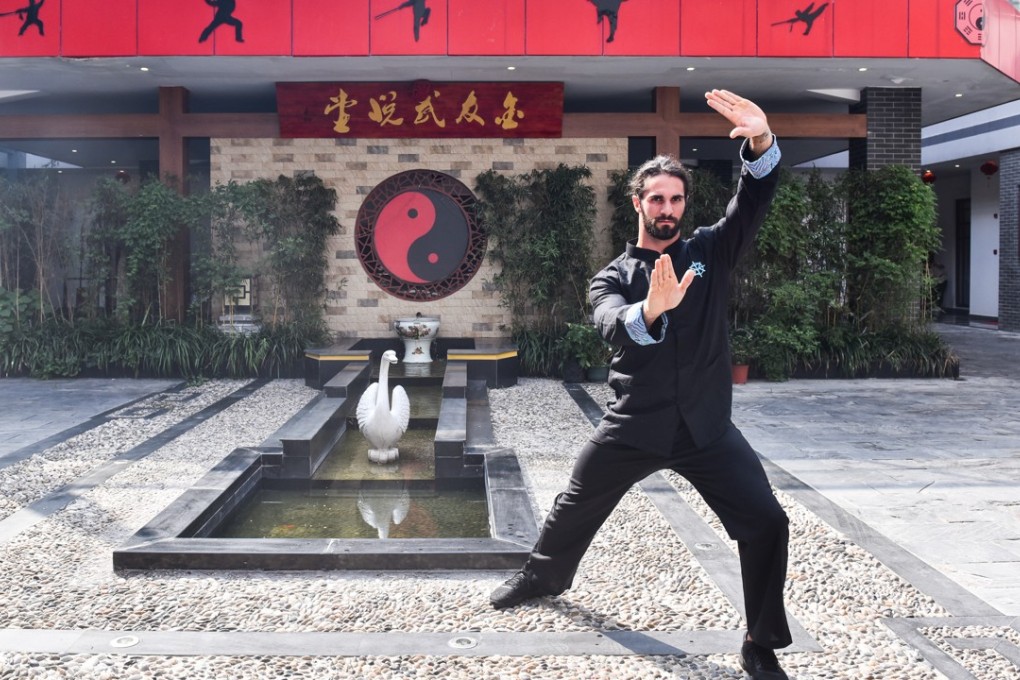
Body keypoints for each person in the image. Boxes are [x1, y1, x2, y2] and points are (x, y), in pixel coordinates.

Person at [489, 89, 792, 680]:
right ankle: (543, 576)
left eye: (677, 198)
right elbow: (612, 326)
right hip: (634, 424)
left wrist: (761, 140)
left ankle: (760, 640)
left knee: (767, 522)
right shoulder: (613, 277)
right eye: (658, 198)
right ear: (638, 203)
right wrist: (650, 311)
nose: (669, 207)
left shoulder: (710, 250)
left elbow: (755, 198)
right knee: (575, 503)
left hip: (706, 427)